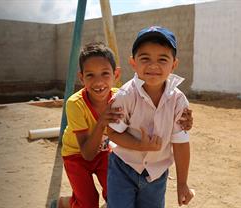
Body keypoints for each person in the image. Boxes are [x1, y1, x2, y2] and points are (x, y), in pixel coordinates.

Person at [51, 42, 193, 208]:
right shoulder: (75, 104)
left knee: (112, 195)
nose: (98, 82)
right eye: (90, 75)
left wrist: (184, 122)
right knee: (88, 203)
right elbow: (87, 154)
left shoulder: (122, 97)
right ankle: (65, 202)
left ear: (116, 74)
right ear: (81, 77)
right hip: (77, 155)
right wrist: (102, 121)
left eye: (105, 74)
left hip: (104, 151)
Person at [107, 26, 195, 208]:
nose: (153, 65)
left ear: (174, 64)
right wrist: (140, 145)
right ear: (133, 62)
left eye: (162, 59)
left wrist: (182, 183)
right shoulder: (125, 96)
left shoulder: (178, 101)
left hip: (157, 173)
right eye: (145, 58)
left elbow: (180, 143)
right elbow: (113, 133)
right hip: (123, 167)